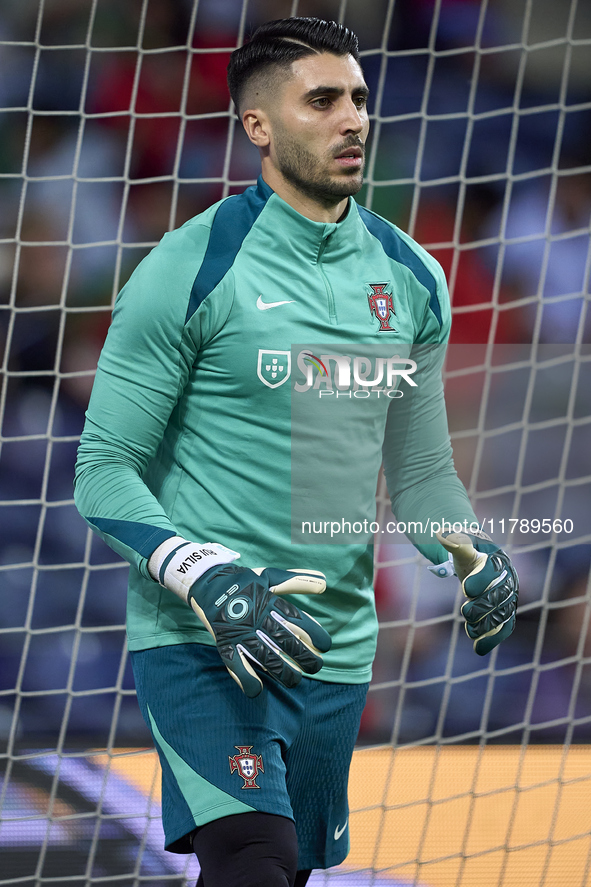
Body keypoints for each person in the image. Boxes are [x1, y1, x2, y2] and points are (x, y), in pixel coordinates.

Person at [74, 17, 518, 887]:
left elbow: (422, 474)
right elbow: (103, 469)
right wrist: (203, 574)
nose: (353, 118)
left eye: (358, 98)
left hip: (335, 647)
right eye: (322, 100)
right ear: (259, 126)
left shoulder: (412, 275)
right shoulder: (188, 264)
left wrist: (470, 556)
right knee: (253, 860)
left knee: (286, 869)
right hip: (201, 637)